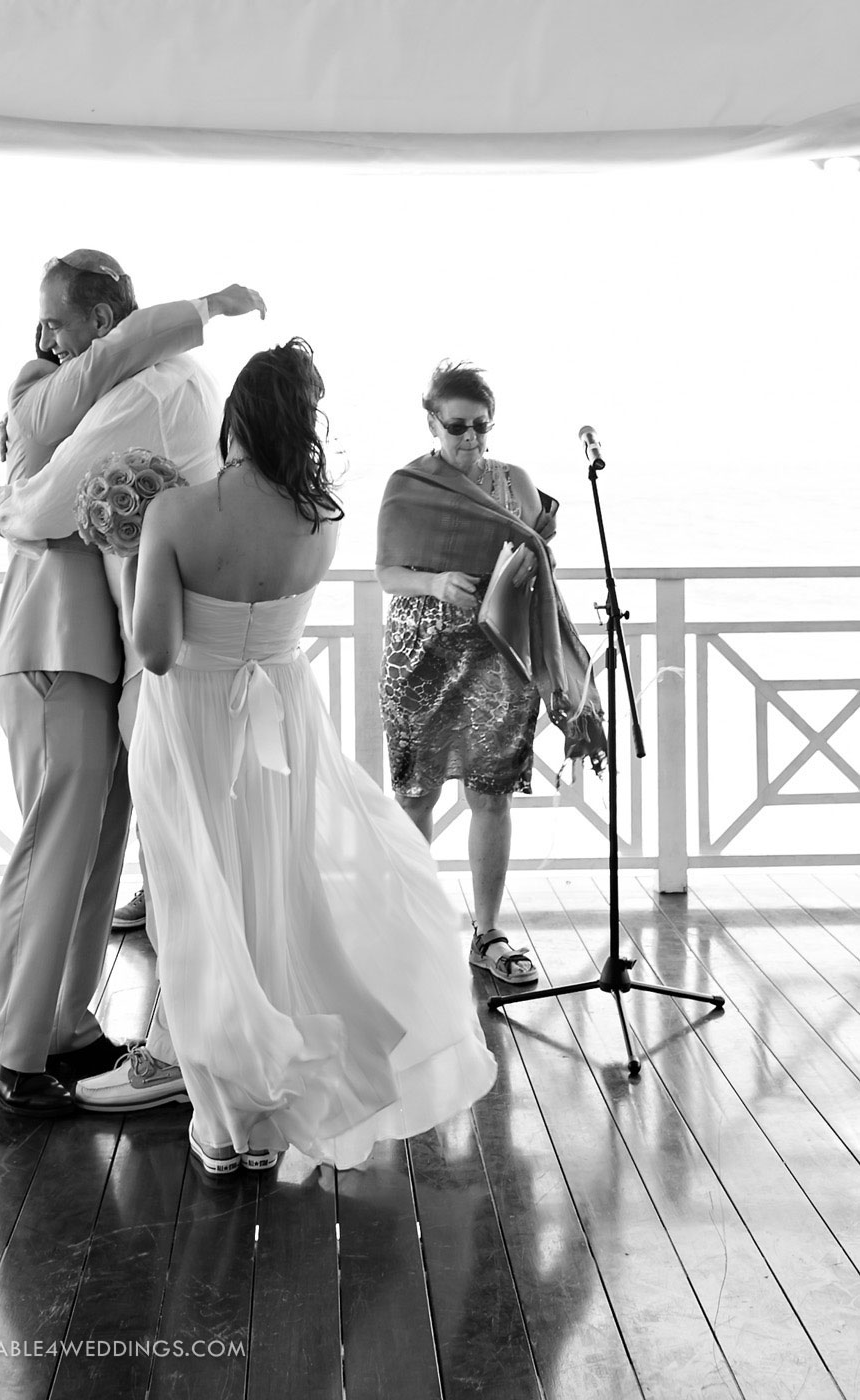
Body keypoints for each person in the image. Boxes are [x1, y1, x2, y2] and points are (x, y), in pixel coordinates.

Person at [123, 338, 497, 1175]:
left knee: (198, 902)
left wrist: (129, 562)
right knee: (274, 899)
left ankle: (224, 1123)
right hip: (283, 720)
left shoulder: (176, 515)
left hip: (191, 718)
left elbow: (153, 649)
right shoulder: (319, 518)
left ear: (236, 420)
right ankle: (266, 1124)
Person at [0, 248, 265, 1117]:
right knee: (57, 843)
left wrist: (7, 499)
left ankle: (62, 1024)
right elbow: (53, 484)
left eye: (56, 322)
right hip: (53, 647)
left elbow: (49, 498)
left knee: (96, 847)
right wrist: (11, 492)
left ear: (101, 323)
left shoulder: (142, 389)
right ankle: (6, 1047)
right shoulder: (86, 394)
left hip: (102, 655)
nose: (44, 340)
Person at [376, 361, 605, 987]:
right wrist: (434, 583)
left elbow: (538, 556)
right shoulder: (407, 486)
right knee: (415, 794)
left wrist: (531, 578)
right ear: (431, 421)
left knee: (490, 796)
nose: (471, 439)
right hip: (420, 654)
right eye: (457, 427)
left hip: (497, 657)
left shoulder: (517, 483)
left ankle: (486, 933)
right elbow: (387, 573)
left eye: (481, 426)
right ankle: (415, 928)